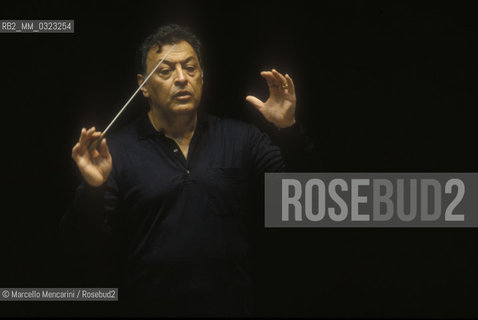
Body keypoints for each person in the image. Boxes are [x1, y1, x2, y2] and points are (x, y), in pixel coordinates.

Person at [60, 24, 319, 317]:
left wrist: (287, 130)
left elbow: (306, 201)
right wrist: (93, 190)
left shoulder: (241, 139)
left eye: (190, 68)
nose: (181, 78)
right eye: (166, 70)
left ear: (203, 77)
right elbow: (77, 246)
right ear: (143, 85)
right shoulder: (114, 152)